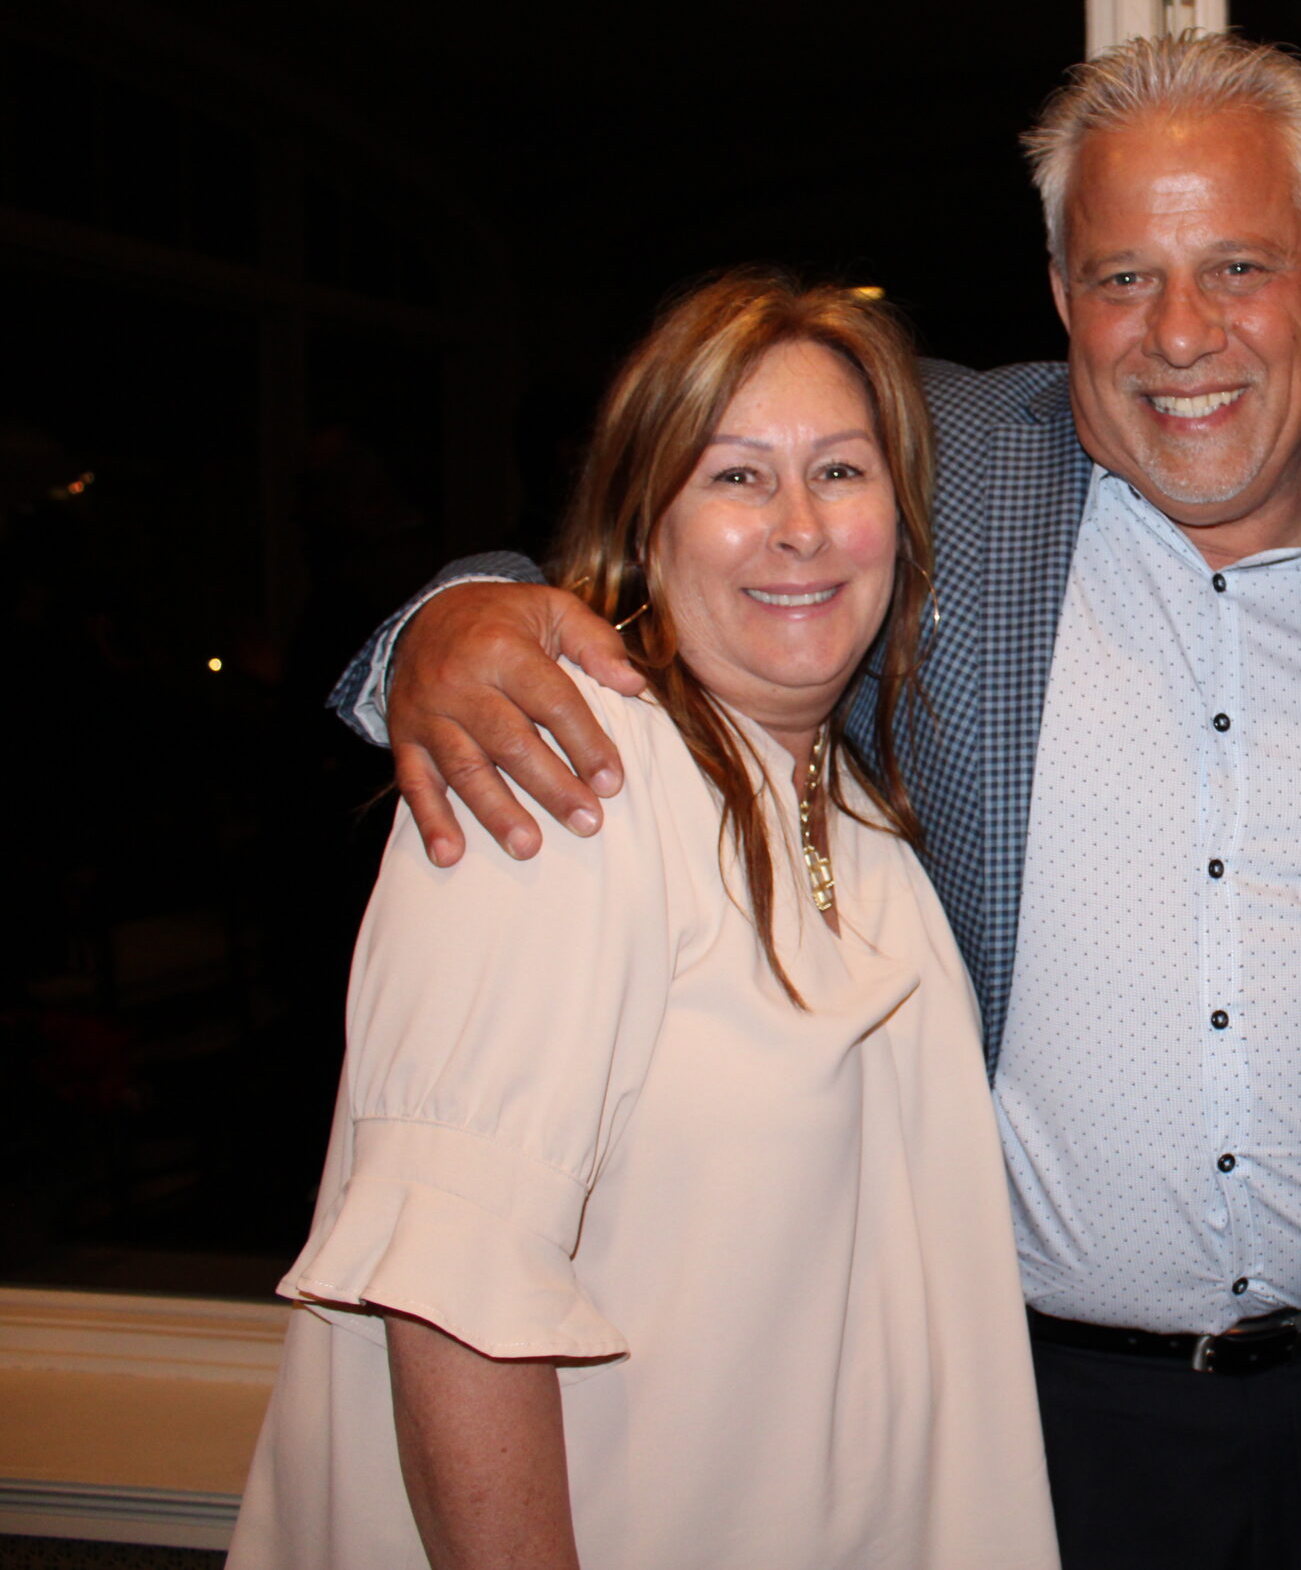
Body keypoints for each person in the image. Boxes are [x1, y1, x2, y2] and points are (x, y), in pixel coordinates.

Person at [326, 34, 1301, 1570]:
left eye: (1240, 268)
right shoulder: (952, 467)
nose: (1181, 335)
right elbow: (683, 525)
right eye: (1122, 277)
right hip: (1018, 1416)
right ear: (1058, 292)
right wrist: (452, 620)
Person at [234, 269, 1058, 1570]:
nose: (799, 527)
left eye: (841, 472)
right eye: (736, 476)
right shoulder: (566, 780)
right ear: (642, 518)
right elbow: (453, 1304)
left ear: (902, 521)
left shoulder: (851, 807)